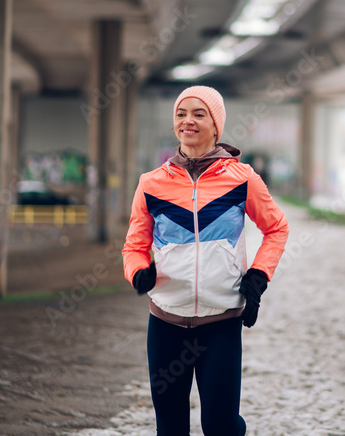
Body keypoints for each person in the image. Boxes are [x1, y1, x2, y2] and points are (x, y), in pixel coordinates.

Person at [122, 85, 290, 436]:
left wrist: (258, 277)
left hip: (221, 323)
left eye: (199, 114)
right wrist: (138, 271)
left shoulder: (243, 180)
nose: (188, 121)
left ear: (216, 126)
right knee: (170, 428)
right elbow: (134, 244)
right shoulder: (151, 184)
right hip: (166, 322)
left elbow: (276, 228)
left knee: (221, 426)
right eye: (182, 114)